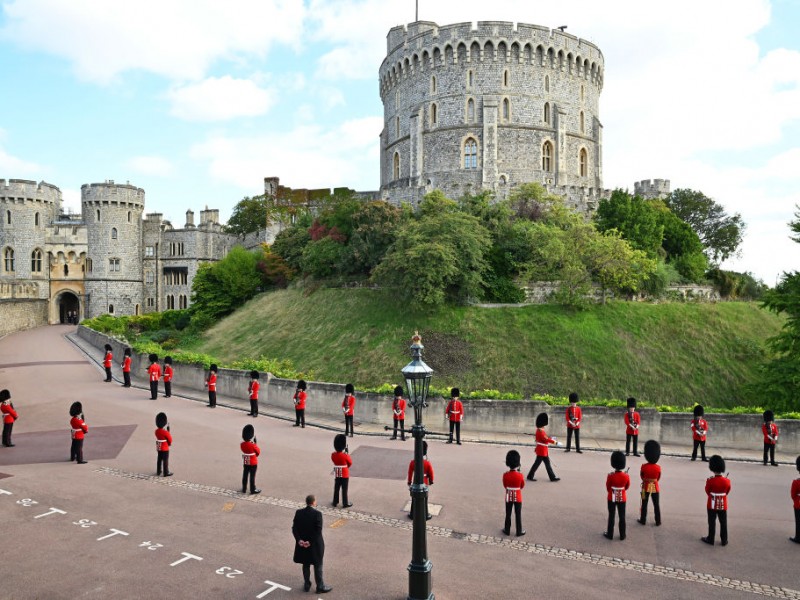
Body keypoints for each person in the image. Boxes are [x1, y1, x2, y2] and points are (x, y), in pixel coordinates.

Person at [292, 494, 332, 594]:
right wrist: (309, 542)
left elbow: (294, 528)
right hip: (314, 546)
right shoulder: (317, 514)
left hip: (302, 545)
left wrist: (299, 540)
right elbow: (318, 531)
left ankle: (307, 584)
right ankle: (320, 586)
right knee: (318, 565)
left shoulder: (299, 512)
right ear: (314, 502)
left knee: (306, 564)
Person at [702, 454, 731, 546]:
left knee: (711, 522)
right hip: (723, 504)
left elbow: (707, 491)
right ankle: (724, 540)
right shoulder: (727, 481)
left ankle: (711, 539)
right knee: (723, 522)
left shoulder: (710, 480)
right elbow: (727, 491)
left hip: (712, 504)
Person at [527, 412, 560, 482]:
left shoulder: (540, 430)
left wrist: (551, 439)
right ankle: (530, 476)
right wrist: (555, 442)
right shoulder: (541, 431)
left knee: (546, 464)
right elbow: (546, 439)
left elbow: (546, 438)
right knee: (537, 464)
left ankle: (552, 477)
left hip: (542, 450)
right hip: (542, 451)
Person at [604, 450, 630, 540]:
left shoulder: (610, 475)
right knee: (622, 516)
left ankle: (610, 534)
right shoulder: (626, 476)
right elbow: (627, 486)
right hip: (622, 497)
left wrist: (611, 492)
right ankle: (622, 535)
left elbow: (608, 487)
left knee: (611, 515)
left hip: (612, 496)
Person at [407, 440, 434, 520]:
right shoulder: (427, 463)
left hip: (415, 481)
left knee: (414, 499)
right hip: (425, 482)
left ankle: (412, 513)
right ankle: (425, 514)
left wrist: (409, 481)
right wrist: (431, 480)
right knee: (425, 499)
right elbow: (431, 472)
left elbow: (410, 473)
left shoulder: (412, 462)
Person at [638, 440, 662, 526]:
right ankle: (658, 521)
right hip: (654, 486)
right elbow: (658, 478)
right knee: (656, 505)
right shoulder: (658, 467)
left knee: (644, 503)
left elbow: (642, 476)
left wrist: (646, 480)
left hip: (645, 487)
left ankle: (643, 519)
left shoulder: (644, 466)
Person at [503, 449, 526, 537]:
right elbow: (522, 486)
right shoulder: (520, 475)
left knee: (508, 513)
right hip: (518, 496)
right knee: (518, 514)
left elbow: (505, 485)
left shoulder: (505, 475)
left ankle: (507, 529)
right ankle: (519, 531)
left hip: (508, 495)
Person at [331, 434, 352, 508]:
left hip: (337, 471)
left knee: (336, 487)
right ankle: (345, 503)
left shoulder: (333, 455)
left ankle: (335, 501)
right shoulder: (345, 456)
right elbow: (350, 463)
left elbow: (335, 460)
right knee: (344, 489)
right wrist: (346, 454)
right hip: (345, 473)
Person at [240, 424, 261, 494]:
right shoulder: (252, 445)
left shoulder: (242, 444)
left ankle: (244, 488)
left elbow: (245, 450)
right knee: (252, 476)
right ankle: (252, 489)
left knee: (245, 474)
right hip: (253, 462)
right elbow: (258, 452)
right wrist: (255, 443)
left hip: (246, 461)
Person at [155, 412, 173, 477]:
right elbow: (170, 439)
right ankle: (166, 472)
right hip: (165, 448)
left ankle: (158, 471)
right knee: (165, 460)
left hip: (159, 447)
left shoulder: (156, 431)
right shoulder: (165, 432)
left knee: (159, 459)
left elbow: (161, 435)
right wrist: (168, 432)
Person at [791, 456, 800, 544]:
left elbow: (793, 495)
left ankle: (798, 537)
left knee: (798, 522)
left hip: (798, 505)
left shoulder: (796, 483)